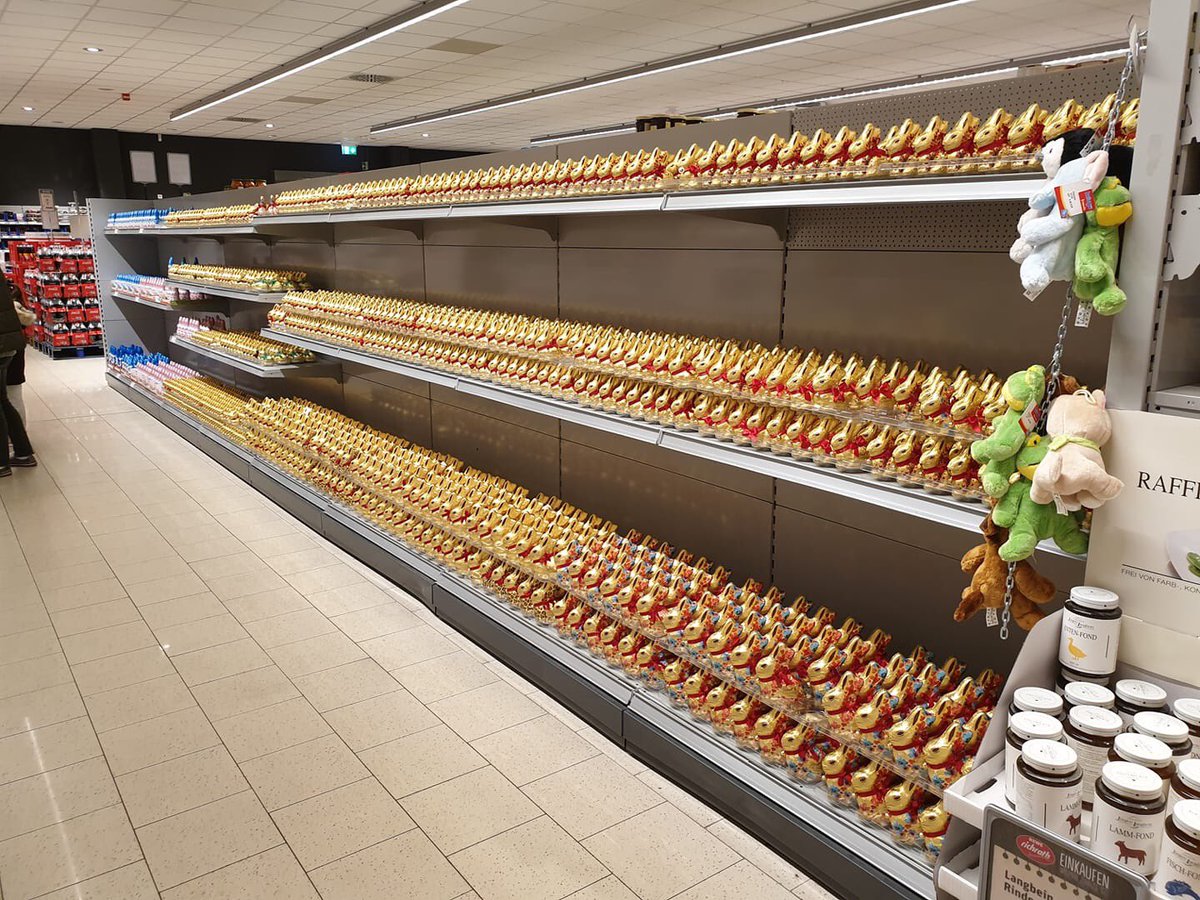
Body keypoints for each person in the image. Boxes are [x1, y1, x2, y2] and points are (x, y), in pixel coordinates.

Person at [0, 275, 35, 477]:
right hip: (9, 346)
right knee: (5, 400)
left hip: (3, 345)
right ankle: (22, 452)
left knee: (5, 399)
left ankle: (2, 462)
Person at [9, 297, 33, 418]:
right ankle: (18, 434)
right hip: (14, 349)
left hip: (10, 353)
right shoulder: (12, 296)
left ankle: (16, 435)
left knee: (13, 397)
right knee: (14, 396)